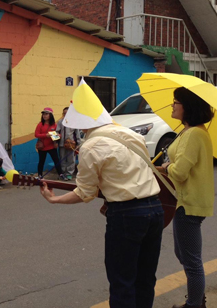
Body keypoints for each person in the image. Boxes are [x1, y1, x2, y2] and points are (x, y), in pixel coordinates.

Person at [40, 79, 164, 308]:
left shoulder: (90, 146)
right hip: (155, 210)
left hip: (126, 215)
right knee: (145, 279)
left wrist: (55, 199)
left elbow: (85, 192)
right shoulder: (130, 134)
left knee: (122, 282)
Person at [157, 87, 214, 308]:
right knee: (182, 253)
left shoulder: (194, 134)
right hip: (185, 200)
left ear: (187, 107)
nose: (172, 105)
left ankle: (195, 304)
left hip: (189, 202)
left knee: (191, 262)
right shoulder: (189, 131)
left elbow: (180, 172)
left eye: (176, 102)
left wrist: (168, 166)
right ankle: (197, 299)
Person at [35, 107, 65, 180]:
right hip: (42, 147)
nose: (44, 116)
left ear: (50, 115)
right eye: (43, 114)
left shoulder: (54, 125)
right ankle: (39, 175)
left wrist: (58, 136)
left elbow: (58, 134)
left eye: (46, 114)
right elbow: (36, 134)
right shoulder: (40, 124)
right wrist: (46, 135)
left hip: (51, 146)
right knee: (41, 161)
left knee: (56, 161)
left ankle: (61, 174)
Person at [56, 106, 81, 180]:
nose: (65, 115)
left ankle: (69, 173)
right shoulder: (60, 122)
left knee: (71, 159)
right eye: (64, 113)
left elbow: (77, 133)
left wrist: (77, 143)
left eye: (67, 113)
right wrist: (56, 140)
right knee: (62, 159)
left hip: (71, 144)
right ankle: (63, 173)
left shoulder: (74, 122)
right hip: (62, 144)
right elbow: (57, 131)